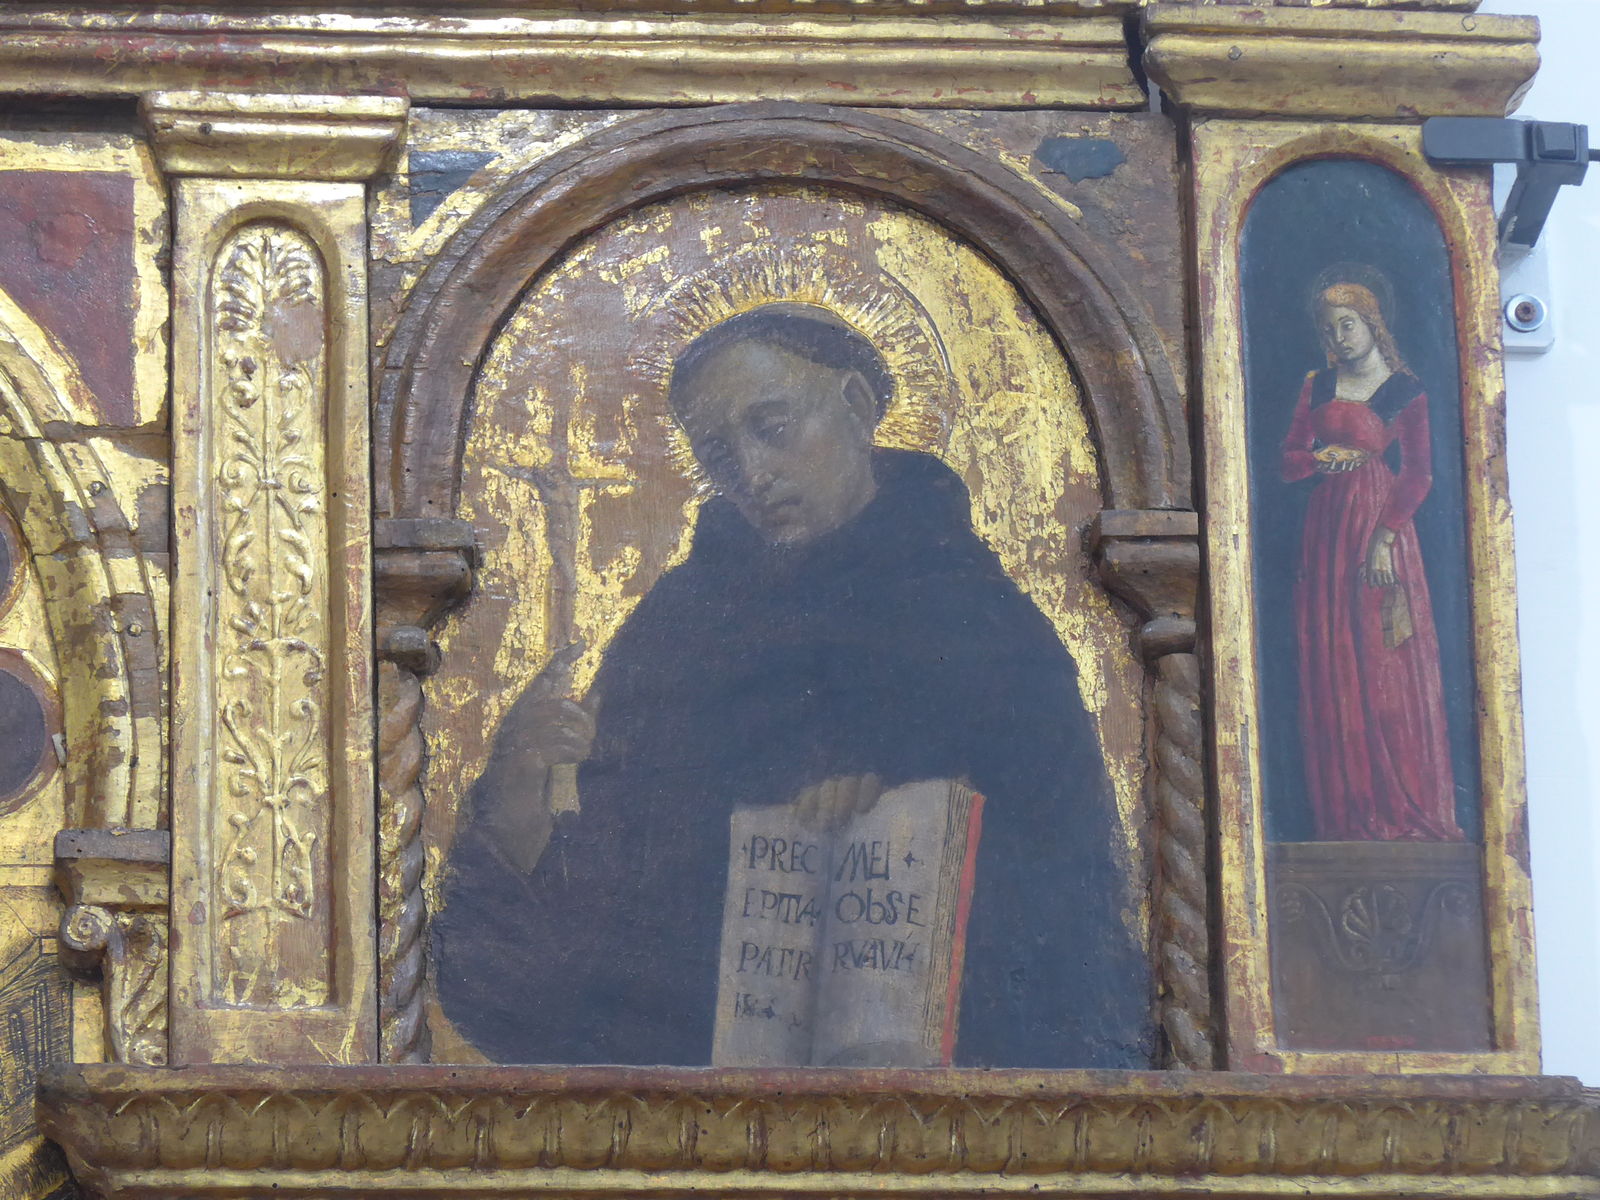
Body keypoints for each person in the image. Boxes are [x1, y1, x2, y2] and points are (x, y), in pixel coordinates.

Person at [433, 303, 1153, 1067]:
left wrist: (897, 817)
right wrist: (516, 800)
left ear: (857, 405)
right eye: (718, 454)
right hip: (691, 1079)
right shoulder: (677, 628)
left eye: (772, 429)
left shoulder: (979, 619)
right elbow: (606, 914)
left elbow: (1062, 888)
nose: (752, 474)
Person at [1279, 283, 1463, 842]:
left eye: (1348, 324)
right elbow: (1288, 461)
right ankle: (1348, 814)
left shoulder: (1404, 390)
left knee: (1384, 660)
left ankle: (1402, 806)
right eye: (1329, 328)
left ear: (1371, 322)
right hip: (1326, 530)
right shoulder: (1318, 385)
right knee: (1333, 653)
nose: (1339, 337)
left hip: (1381, 524)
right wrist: (1319, 460)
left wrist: (1385, 538)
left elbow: (1419, 474)